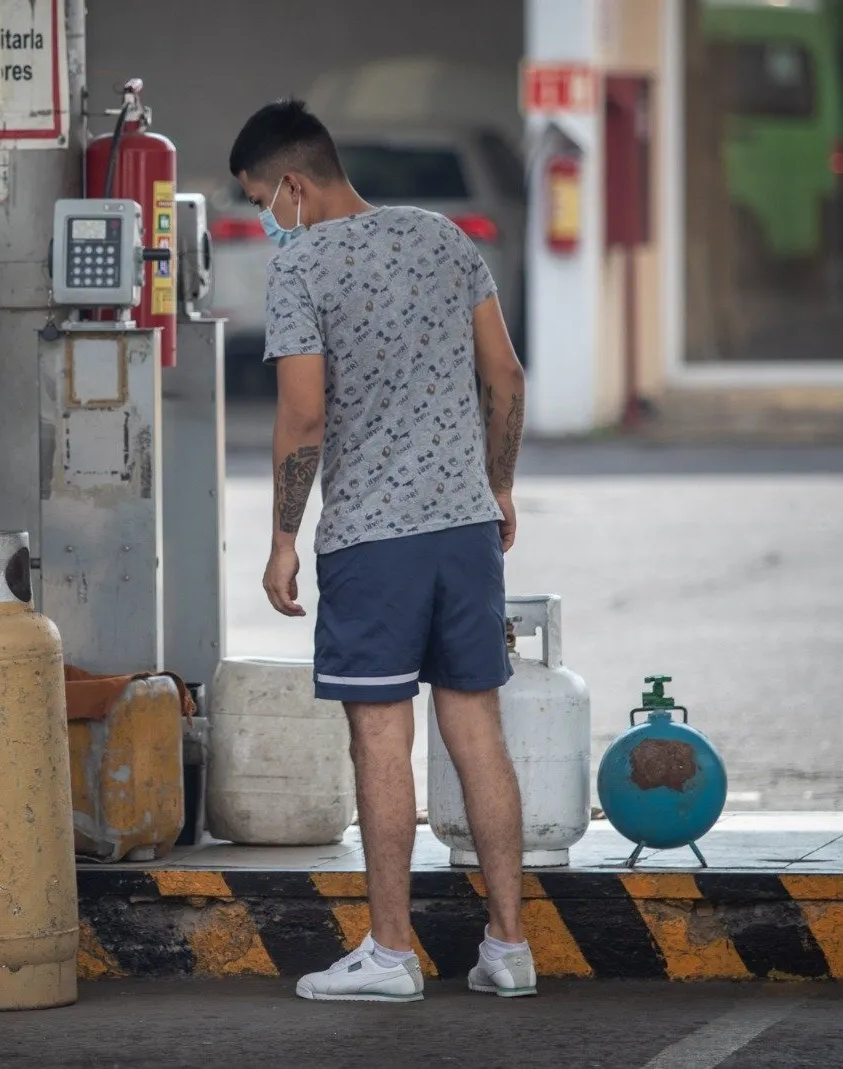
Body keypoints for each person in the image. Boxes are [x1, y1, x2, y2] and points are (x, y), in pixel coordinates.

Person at [228, 100, 533, 1003]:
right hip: (466, 528)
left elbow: (304, 414)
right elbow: (504, 374)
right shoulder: (444, 237)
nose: (262, 219)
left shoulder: (303, 264)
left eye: (257, 200)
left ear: (291, 184)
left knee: (380, 737)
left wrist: (282, 537)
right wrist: (499, 483)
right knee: (478, 729)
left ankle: (393, 953)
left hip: (372, 541)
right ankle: (508, 945)